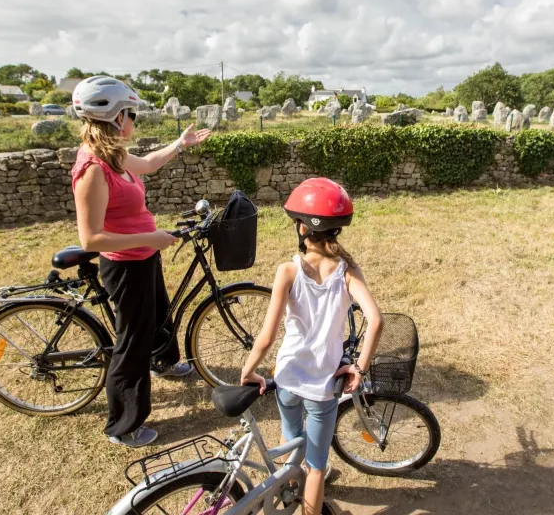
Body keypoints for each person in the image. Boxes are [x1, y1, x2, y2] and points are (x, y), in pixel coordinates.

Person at [70, 75, 211, 447]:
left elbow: (147, 163)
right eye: (131, 114)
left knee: (158, 313)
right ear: (116, 118)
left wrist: (180, 144)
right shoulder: (93, 170)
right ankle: (123, 425)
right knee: (130, 342)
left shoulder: (113, 155)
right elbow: (91, 238)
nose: (134, 121)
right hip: (125, 264)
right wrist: (150, 237)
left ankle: (164, 361)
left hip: (144, 256)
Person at [240, 177, 383, 515]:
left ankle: (290, 493)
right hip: (322, 386)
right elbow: (376, 320)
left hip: (288, 378)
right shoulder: (349, 272)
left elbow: (267, 336)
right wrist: (358, 369)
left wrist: (248, 370)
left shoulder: (288, 271)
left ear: (301, 228)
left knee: (290, 437)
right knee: (317, 465)